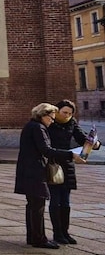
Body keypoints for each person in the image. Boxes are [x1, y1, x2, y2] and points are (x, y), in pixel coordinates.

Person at [15, 102, 84, 249]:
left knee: (33, 206)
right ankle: (39, 239)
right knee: (37, 206)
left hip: (28, 170)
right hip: (35, 172)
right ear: (43, 115)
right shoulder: (38, 128)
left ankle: (33, 237)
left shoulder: (31, 126)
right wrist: (70, 155)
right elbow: (46, 150)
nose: (52, 121)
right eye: (51, 118)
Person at [47, 99, 99, 244]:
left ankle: (65, 232)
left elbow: (82, 138)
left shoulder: (72, 122)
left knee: (66, 203)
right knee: (55, 201)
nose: (67, 116)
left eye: (70, 113)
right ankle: (57, 234)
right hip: (53, 164)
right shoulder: (49, 123)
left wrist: (95, 144)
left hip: (68, 164)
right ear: (57, 111)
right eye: (64, 112)